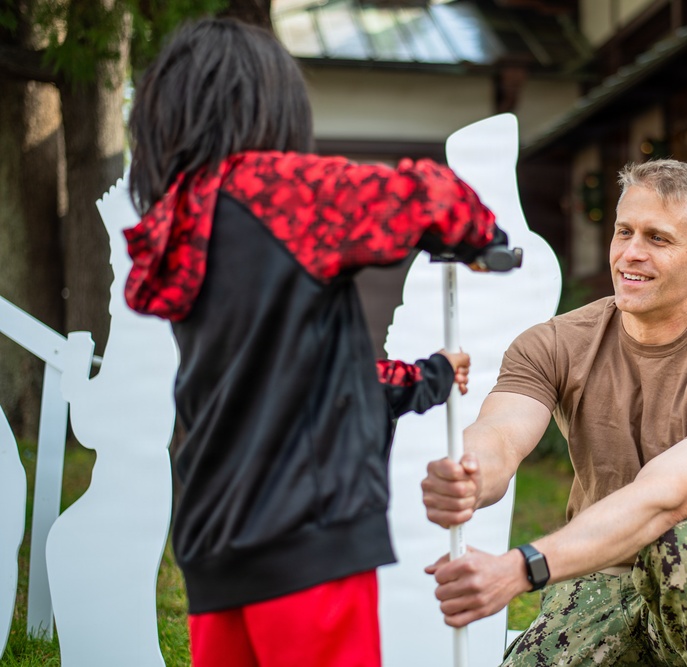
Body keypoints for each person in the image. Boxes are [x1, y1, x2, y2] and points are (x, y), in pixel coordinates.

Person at [124, 17, 506, 667]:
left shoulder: (183, 219)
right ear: (270, 102)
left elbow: (312, 376)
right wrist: (482, 241)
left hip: (212, 541)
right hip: (307, 535)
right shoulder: (279, 191)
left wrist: (432, 374)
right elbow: (425, 194)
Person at [422, 158, 687, 666]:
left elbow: (662, 500)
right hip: (597, 577)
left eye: (658, 239)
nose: (631, 254)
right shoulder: (552, 343)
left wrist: (520, 568)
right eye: (624, 232)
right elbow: (502, 434)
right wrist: (470, 472)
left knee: (686, 543)